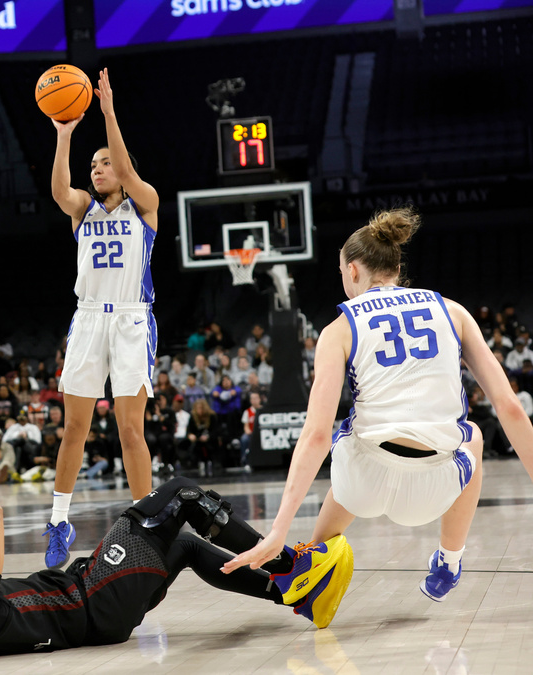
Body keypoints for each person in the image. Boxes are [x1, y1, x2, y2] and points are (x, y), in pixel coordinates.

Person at [224, 207, 533, 610]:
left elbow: (316, 434)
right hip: (432, 489)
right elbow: (509, 408)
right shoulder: (452, 310)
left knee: (350, 436)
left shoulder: (338, 329)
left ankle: (311, 559)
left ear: (353, 271)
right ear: (396, 265)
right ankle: (449, 563)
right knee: (472, 436)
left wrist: (279, 528)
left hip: (361, 484)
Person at [0, 477, 354, 663]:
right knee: (179, 496)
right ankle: (291, 566)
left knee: (186, 548)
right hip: (95, 592)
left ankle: (298, 598)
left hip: (103, 614)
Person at [46, 68, 160, 568]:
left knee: (129, 430)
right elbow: (58, 191)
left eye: (106, 162)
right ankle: (59, 520)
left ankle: (144, 522)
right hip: (88, 320)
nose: (97, 169)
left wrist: (109, 111)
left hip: (133, 321)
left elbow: (131, 173)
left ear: (124, 170)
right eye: (93, 164)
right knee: (75, 428)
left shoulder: (145, 205)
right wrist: (65, 135)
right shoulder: (82, 212)